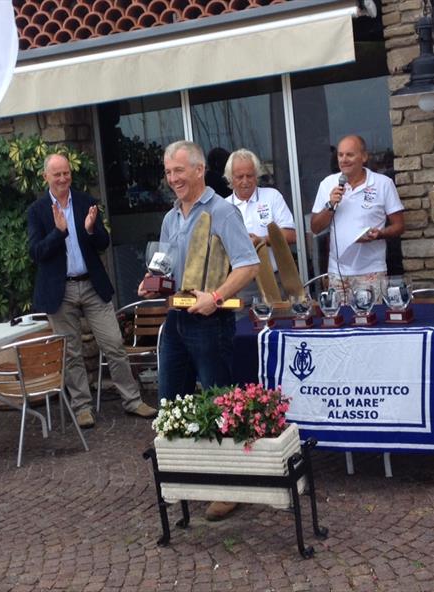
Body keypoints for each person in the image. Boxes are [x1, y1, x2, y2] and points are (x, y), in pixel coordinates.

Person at [138, 141, 259, 521]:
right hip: (176, 320)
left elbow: (248, 265)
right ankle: (185, 478)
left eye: (179, 171)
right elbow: (165, 268)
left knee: (220, 404)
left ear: (199, 169)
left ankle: (231, 488)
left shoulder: (223, 212)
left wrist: (218, 296)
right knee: (171, 404)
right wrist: (150, 281)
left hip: (211, 321)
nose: (173, 178)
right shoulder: (171, 217)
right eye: (169, 172)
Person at [27, 153, 157, 429]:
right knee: (71, 352)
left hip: (91, 284)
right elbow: (36, 253)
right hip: (59, 290)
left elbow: (103, 242)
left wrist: (89, 229)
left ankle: (132, 400)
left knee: (113, 344)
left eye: (66, 173)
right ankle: (82, 407)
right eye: (57, 174)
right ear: (45, 177)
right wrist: (59, 232)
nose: (63, 179)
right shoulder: (37, 211)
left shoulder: (86, 202)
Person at [310, 135, 405, 297]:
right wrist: (330, 205)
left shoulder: (383, 183)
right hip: (337, 273)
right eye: (340, 155)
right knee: (341, 320)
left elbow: (399, 226)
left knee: (371, 319)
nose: (344, 159)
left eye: (350, 154)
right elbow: (315, 227)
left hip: (372, 270)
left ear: (364, 157)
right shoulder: (328, 184)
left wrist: (380, 234)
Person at [222, 149, 296, 304]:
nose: (245, 181)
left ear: (257, 175)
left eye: (250, 175)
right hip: (239, 283)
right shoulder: (223, 207)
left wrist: (262, 240)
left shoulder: (272, 196)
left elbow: (291, 235)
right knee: (243, 326)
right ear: (230, 178)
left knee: (280, 322)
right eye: (239, 177)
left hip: (276, 279)